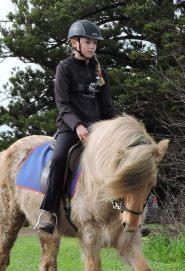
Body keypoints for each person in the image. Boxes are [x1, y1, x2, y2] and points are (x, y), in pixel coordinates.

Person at [36, 19, 117, 235]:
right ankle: (49, 211)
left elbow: (107, 108)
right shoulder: (64, 68)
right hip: (70, 129)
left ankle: (128, 211)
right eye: (88, 42)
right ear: (74, 42)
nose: (92, 46)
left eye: (95, 43)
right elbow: (62, 105)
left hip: (97, 131)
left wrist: (119, 128)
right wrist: (78, 126)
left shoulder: (100, 73)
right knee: (60, 158)